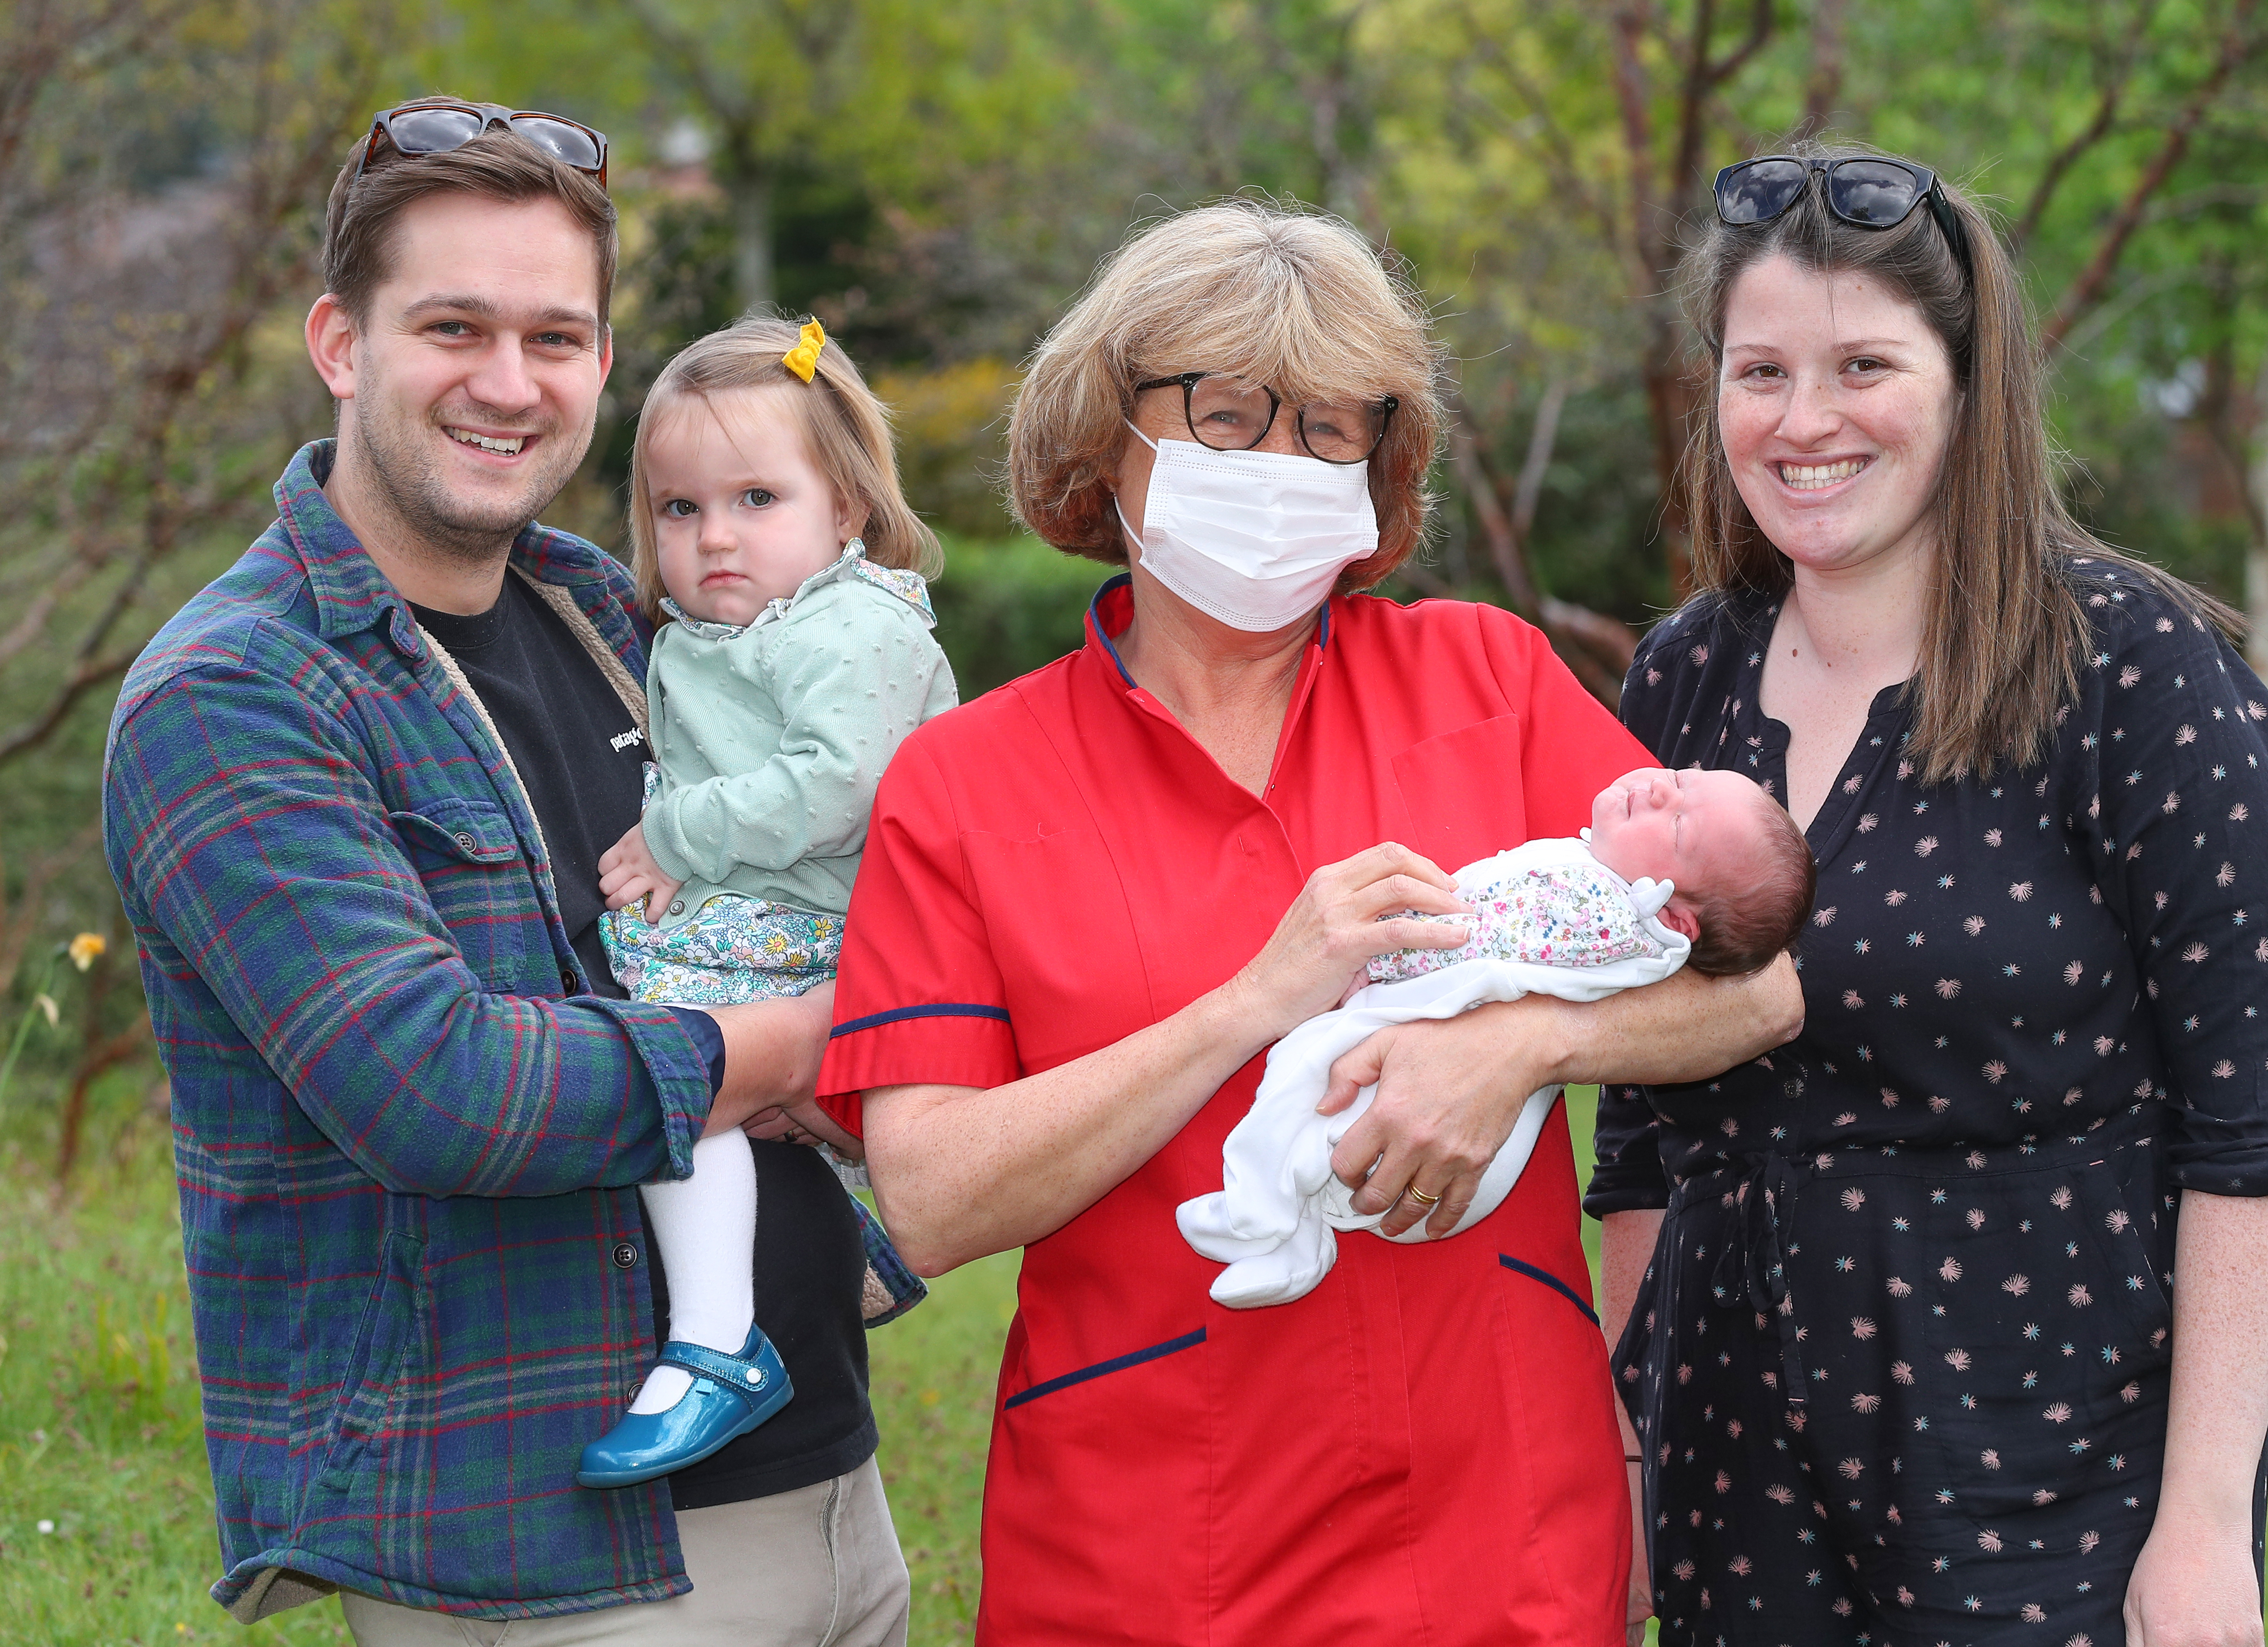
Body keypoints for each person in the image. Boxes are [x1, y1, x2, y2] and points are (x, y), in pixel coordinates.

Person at [801, 200, 1804, 1645]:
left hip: (1493, 1530)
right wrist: (1244, 1005)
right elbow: (935, 1194)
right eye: (1224, 415)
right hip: (1144, 1545)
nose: (1280, 464)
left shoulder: (1489, 679)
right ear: (1107, 436)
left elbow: (1756, 992)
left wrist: (1512, 1046)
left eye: (1332, 429)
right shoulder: (964, 781)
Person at [101, 102, 906, 1645]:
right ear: (341, 343)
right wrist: (811, 1038)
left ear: (604, 364)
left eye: (556, 335)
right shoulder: (236, 691)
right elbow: (439, 1084)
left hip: (826, 1472)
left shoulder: (602, 605)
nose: (507, 382)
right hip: (552, 1542)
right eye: (453, 327)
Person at [1591, 143, 2268, 1647]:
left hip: (2046, 1462)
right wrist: (1625, 1457)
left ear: (1970, 384)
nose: (1802, 422)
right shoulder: (1682, 679)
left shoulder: (2137, 676)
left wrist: (2197, 1532)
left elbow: (2244, 1144)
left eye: (1862, 364)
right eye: (1758, 370)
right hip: (1733, 1471)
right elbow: (1641, 1139)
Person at [578, 313, 951, 1489]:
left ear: (844, 506)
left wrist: (672, 834)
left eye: (756, 499)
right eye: (680, 511)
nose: (714, 538)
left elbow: (839, 786)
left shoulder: (855, 628)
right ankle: (843, 1243)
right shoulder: (715, 633)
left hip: (827, 926)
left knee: (672, 1067)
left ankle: (715, 1336)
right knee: (666, 1048)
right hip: (765, 918)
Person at [1182, 765, 1816, 1309]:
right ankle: (1284, 1227)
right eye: (1682, 780)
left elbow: (1479, 937)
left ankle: (1266, 1222)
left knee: (1298, 1075)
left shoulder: (1603, 909)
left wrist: (1373, 960)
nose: (1658, 792)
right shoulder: (1596, 873)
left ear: (1676, 916)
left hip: (1430, 1074)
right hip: (1420, 1071)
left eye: (1679, 826)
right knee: (1309, 1098)